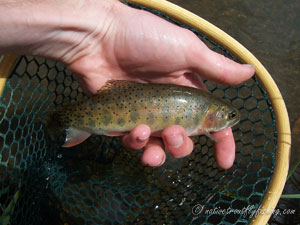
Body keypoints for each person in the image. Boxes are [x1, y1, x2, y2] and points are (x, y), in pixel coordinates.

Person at [0, 0, 254, 169]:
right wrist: (100, 30)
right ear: (212, 115)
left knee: (142, 136)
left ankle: (62, 122)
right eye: (228, 116)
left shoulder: (201, 109)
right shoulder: (202, 114)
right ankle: (60, 121)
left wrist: (97, 30)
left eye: (230, 116)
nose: (231, 118)